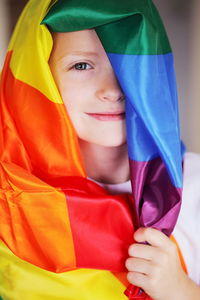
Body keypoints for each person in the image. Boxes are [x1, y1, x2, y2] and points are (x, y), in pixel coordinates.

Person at [0, 0, 200, 299]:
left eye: (131, 65)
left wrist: (180, 291)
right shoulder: (10, 191)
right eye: (81, 65)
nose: (113, 90)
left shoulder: (195, 185)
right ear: (40, 77)